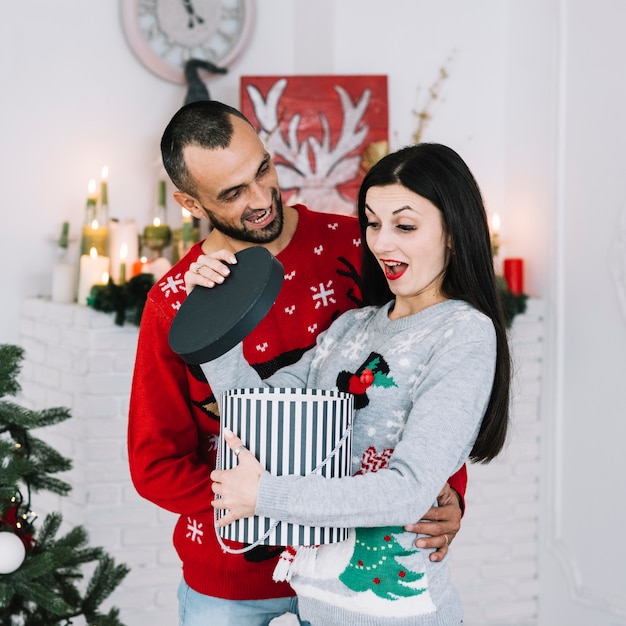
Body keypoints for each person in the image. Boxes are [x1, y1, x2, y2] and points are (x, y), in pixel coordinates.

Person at [128, 100, 466, 626]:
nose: (263, 199)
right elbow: (155, 465)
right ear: (189, 203)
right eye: (233, 193)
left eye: (262, 169)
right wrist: (259, 505)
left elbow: (419, 373)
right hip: (230, 579)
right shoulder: (174, 303)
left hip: (351, 571)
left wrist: (449, 492)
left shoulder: (362, 247)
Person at [201, 143, 511, 625]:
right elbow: (255, 409)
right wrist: (214, 315)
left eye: (405, 226)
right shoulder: (351, 327)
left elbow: (407, 491)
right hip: (318, 612)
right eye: (372, 222)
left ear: (453, 233)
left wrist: (266, 496)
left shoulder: (464, 333)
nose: (382, 243)